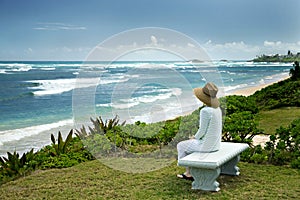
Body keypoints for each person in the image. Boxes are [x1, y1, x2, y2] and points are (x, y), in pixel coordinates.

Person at [177, 82, 222, 181]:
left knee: (181, 145)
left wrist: (195, 137)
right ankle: (193, 169)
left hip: (206, 146)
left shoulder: (205, 111)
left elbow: (202, 130)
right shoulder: (217, 109)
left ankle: (188, 173)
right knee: (188, 145)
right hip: (216, 145)